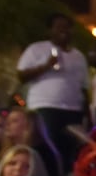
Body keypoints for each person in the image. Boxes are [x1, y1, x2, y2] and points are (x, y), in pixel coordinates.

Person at [16, 13, 90, 164]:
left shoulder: (79, 56)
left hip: (73, 110)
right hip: (45, 107)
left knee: (72, 150)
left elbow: (84, 86)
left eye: (67, 27)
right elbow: (21, 75)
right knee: (49, 149)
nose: (64, 31)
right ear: (50, 30)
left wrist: (86, 112)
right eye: (59, 27)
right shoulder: (37, 49)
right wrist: (46, 66)